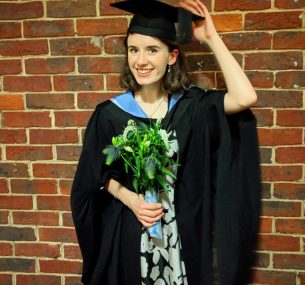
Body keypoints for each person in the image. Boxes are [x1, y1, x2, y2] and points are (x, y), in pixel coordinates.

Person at [70, 0, 261, 284]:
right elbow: (94, 177)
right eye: (133, 49)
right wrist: (131, 199)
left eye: (152, 50)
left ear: (172, 56)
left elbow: (245, 97)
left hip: (180, 240)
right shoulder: (109, 114)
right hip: (129, 237)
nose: (140, 61)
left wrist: (211, 37)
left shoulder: (191, 108)